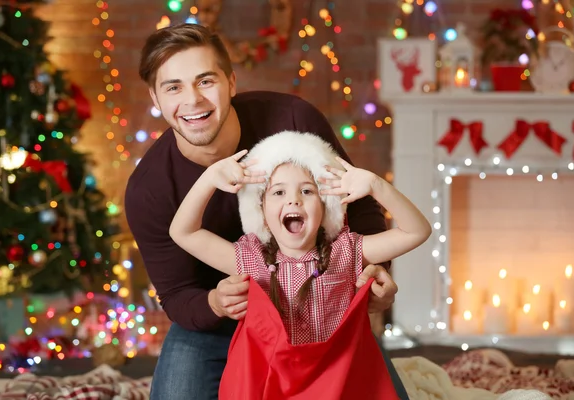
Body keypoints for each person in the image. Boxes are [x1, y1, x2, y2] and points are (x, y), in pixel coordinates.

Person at [125, 23, 409, 399]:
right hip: (223, 314)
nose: (192, 100)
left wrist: (376, 278)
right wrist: (214, 302)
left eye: (205, 81)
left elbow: (361, 207)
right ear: (156, 98)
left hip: (318, 308)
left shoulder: (292, 120)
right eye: (173, 87)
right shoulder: (149, 190)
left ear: (230, 83)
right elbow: (177, 294)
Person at [169, 131, 431, 398]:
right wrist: (209, 178)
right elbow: (183, 232)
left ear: (326, 206)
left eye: (307, 190)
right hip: (272, 387)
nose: (293, 200)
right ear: (261, 211)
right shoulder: (250, 258)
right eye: (278, 192)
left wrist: (376, 185)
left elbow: (417, 231)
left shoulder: (347, 251)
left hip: (338, 384)